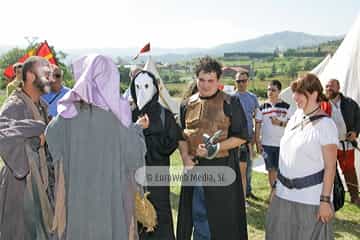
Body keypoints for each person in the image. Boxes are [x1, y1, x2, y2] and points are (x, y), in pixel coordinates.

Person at [46, 54, 147, 240]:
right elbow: (134, 157)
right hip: (110, 202)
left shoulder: (66, 116)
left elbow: (50, 138)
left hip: (76, 199)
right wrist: (137, 131)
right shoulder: (120, 119)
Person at [177, 56, 249, 240]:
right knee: (197, 217)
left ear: (218, 81)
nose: (206, 85)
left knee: (220, 223)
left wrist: (215, 148)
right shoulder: (186, 104)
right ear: (196, 79)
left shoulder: (231, 103)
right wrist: (185, 157)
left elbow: (241, 136)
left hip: (222, 171)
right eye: (201, 80)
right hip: (194, 172)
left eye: (211, 80)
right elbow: (182, 136)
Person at [266, 73, 338, 240]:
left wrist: (325, 201)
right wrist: (276, 186)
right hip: (283, 194)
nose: (295, 97)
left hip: (310, 199)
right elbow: (286, 156)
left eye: (300, 93)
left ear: (314, 94)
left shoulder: (326, 126)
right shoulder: (295, 117)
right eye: (294, 92)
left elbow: (330, 167)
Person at [0, 56, 54, 240]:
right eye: (46, 74)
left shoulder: (42, 106)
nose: (51, 78)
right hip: (20, 188)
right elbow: (4, 136)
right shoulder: (15, 105)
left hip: (42, 183)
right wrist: (37, 140)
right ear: (31, 76)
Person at [130, 70, 181, 240]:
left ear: (154, 88)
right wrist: (136, 129)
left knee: (160, 214)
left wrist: (149, 131)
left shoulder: (164, 115)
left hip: (158, 175)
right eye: (138, 87)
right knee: (136, 214)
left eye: (146, 86)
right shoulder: (128, 115)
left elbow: (171, 142)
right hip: (134, 177)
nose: (142, 92)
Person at [325, 78, 360, 206]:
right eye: (327, 86)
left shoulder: (350, 103)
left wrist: (355, 132)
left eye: (331, 86)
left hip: (346, 144)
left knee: (349, 171)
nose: (328, 89)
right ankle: (332, 196)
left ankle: (355, 197)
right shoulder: (323, 104)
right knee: (329, 171)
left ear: (338, 88)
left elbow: (358, 119)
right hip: (329, 145)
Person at [255, 80, 290, 197]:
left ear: (279, 91)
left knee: (282, 170)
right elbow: (258, 126)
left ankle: (281, 193)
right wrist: (257, 143)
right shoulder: (261, 107)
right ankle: (274, 192)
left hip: (283, 144)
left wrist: (279, 123)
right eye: (268, 89)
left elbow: (292, 125)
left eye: (273, 90)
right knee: (271, 169)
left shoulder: (286, 107)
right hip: (267, 144)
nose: (270, 92)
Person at [234, 71, 260, 200]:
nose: (241, 83)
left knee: (249, 167)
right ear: (235, 82)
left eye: (243, 81)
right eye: (239, 81)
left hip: (249, 138)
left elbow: (257, 118)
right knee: (238, 168)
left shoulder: (253, 98)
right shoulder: (232, 98)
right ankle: (239, 194)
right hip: (236, 139)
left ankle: (247, 191)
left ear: (247, 81)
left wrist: (255, 138)